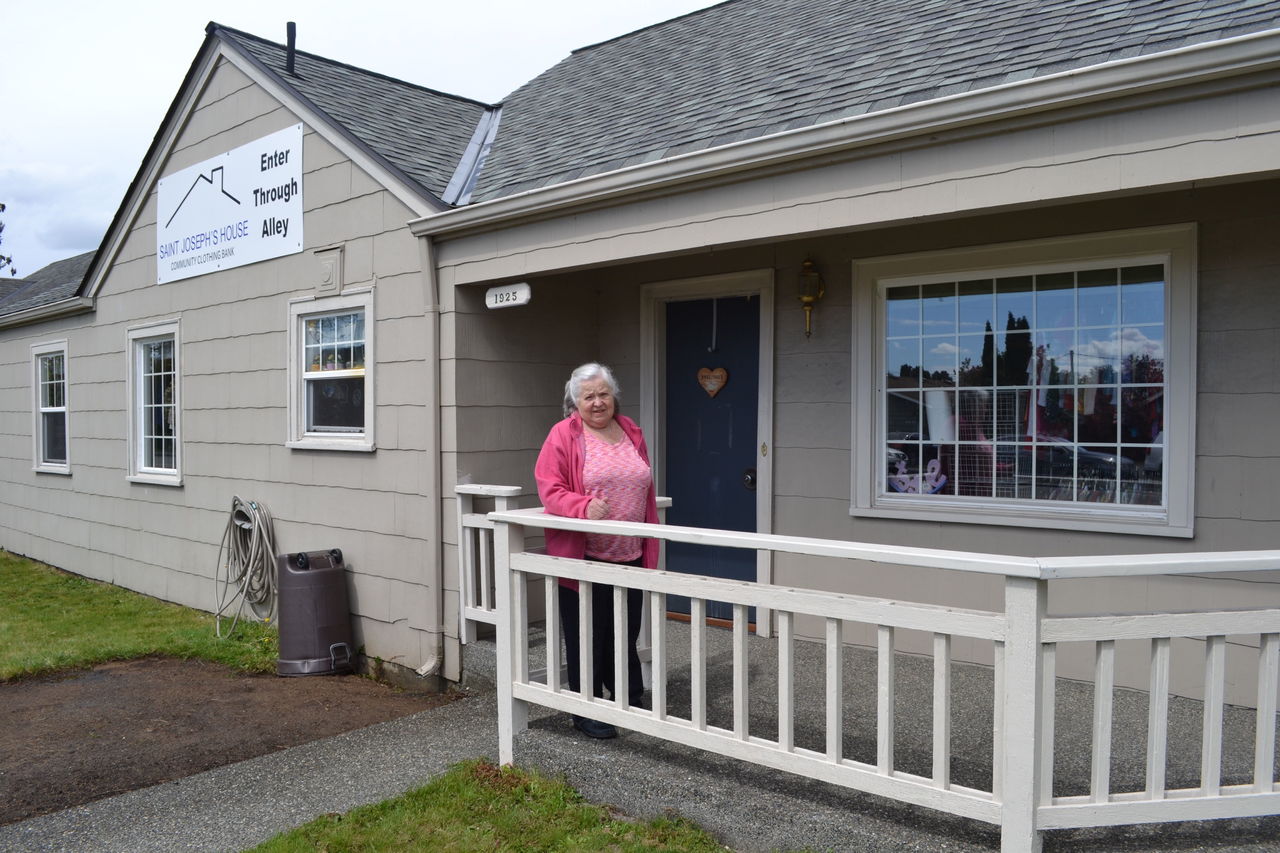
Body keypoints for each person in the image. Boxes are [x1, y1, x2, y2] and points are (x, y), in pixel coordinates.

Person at [534, 362, 659, 739]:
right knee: (588, 633)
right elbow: (549, 488)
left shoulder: (631, 430)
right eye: (588, 396)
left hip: (631, 552)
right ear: (575, 402)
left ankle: (626, 697)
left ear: (613, 396)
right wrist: (582, 506)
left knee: (625, 630)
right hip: (585, 556)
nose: (598, 402)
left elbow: (642, 483)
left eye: (603, 394)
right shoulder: (563, 435)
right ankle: (585, 708)